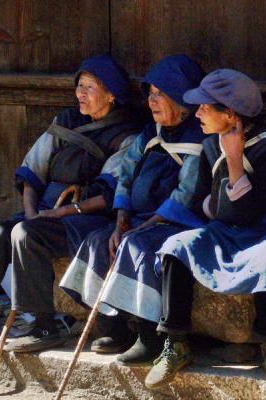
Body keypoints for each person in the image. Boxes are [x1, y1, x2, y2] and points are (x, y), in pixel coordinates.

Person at [0, 54, 142, 353]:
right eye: (79, 85)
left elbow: (108, 195)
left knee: (25, 235)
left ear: (111, 95)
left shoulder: (126, 135)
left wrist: (60, 213)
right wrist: (32, 212)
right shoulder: (66, 121)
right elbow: (33, 171)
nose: (80, 93)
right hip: (44, 212)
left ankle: (44, 326)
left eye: (90, 88)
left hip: (83, 217)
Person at [143, 69, 266, 388]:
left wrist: (234, 160)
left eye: (205, 108)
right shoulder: (209, 146)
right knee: (176, 247)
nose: (197, 114)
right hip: (230, 227)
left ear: (230, 113)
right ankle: (175, 344)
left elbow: (250, 212)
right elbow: (202, 201)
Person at [60, 55, 205, 365]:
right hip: (139, 219)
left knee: (137, 247)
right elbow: (125, 174)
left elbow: (185, 194)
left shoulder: (199, 138)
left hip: (175, 222)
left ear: (180, 98)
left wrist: (139, 229)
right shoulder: (150, 133)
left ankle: (149, 335)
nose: (151, 101)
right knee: (98, 241)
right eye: (149, 93)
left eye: (159, 94)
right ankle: (112, 326)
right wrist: (121, 219)